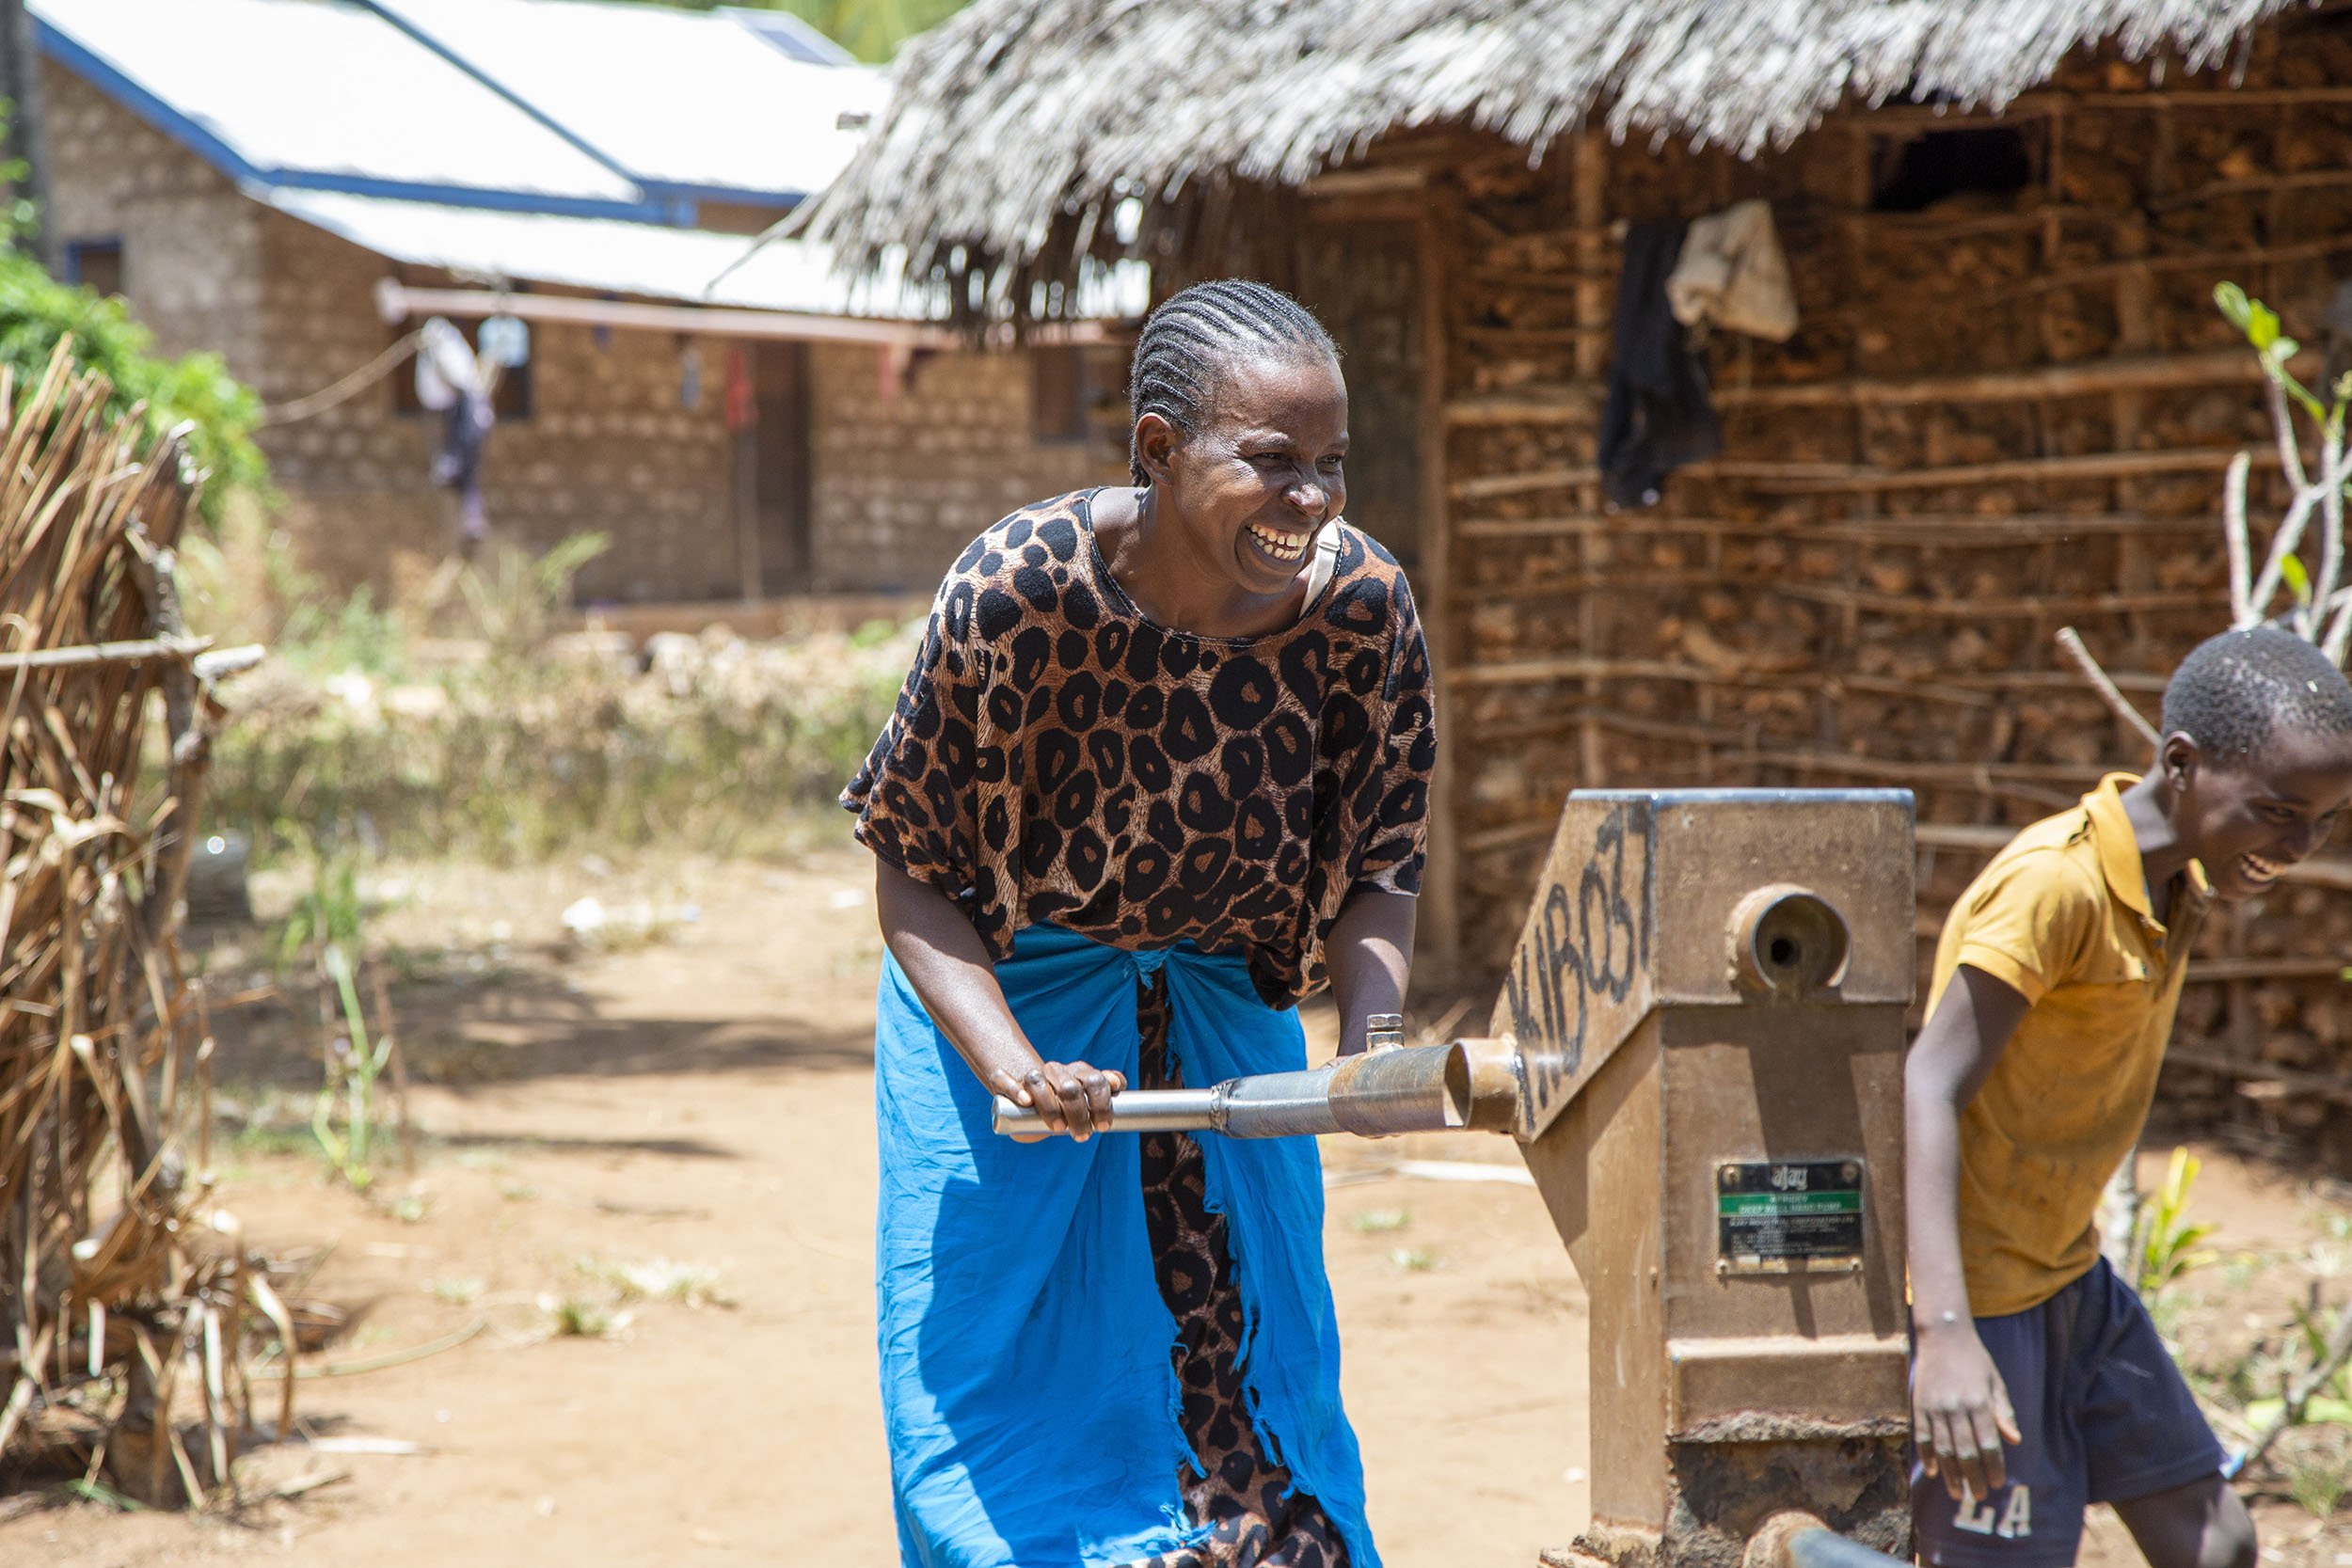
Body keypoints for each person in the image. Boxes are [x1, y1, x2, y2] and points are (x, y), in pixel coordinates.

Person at [844, 278, 1433, 1568]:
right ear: (1159, 448)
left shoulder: (1361, 609)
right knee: (1003, 1399)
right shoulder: (1018, 593)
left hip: (1225, 1022)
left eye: (1331, 462)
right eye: (1272, 460)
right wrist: (1016, 1066)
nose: (1312, 499)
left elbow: (1380, 860)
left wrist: (1374, 1039)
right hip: (1012, 1018)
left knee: (1255, 1381)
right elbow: (913, 870)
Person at [1907, 626, 2352, 1568]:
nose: (2300, 844)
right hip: (1983, 1297)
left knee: (2216, 1541)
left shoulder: (2174, 879)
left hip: (2068, 1277)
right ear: (2180, 765)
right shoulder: (2055, 887)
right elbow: (1928, 1082)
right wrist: (1943, 1334)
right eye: (2278, 811)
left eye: (2324, 819)